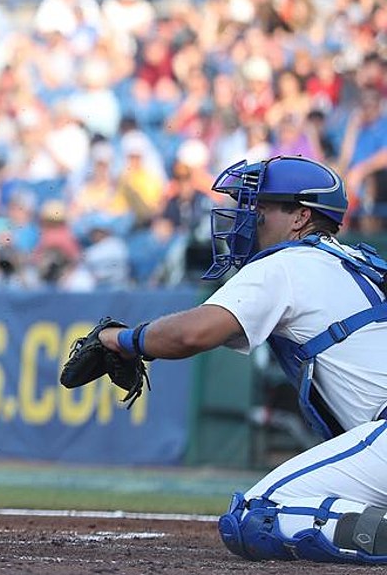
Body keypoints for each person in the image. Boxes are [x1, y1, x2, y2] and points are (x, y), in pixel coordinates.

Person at [93, 155, 387, 563]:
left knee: (255, 516)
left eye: (262, 207)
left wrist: (121, 339)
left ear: (300, 217)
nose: (248, 217)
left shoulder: (286, 263)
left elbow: (193, 333)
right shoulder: (354, 261)